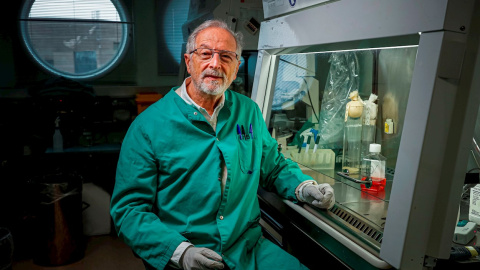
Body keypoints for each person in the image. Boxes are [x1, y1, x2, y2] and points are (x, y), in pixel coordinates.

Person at [110, 19, 335, 270]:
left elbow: (272, 166)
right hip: (186, 253)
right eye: (205, 53)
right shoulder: (148, 126)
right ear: (188, 61)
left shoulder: (247, 111)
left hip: (247, 249)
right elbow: (129, 211)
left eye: (226, 57)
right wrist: (182, 253)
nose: (215, 64)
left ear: (236, 67)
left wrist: (303, 187)